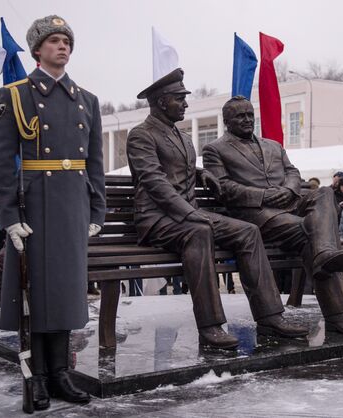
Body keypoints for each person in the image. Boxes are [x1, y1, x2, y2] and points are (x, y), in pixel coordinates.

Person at [126, 70, 308, 350]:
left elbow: (176, 168)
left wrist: (201, 175)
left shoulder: (182, 136)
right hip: (158, 219)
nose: (185, 104)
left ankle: (270, 316)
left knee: (248, 231)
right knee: (198, 231)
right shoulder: (141, 135)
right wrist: (188, 213)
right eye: (180, 99)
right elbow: (153, 180)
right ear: (162, 102)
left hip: (187, 214)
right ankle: (210, 326)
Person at [0, 16, 106, 410]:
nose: (62, 47)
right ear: (37, 50)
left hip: (72, 205)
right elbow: (2, 163)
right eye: (54, 41)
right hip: (34, 207)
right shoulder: (16, 95)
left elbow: (95, 163)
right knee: (35, 295)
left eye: (66, 41)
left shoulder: (86, 99)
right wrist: (7, 217)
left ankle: (60, 374)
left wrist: (97, 209)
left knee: (67, 294)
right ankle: (38, 377)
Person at [203, 96, 343, 335]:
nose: (247, 119)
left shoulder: (273, 145)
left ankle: (325, 253)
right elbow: (224, 188)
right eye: (240, 116)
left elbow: (292, 171)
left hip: (288, 202)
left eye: (250, 114)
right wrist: (264, 196)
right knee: (310, 234)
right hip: (255, 215)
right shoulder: (215, 149)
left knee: (323, 192)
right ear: (227, 121)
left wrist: (290, 189)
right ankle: (339, 314)